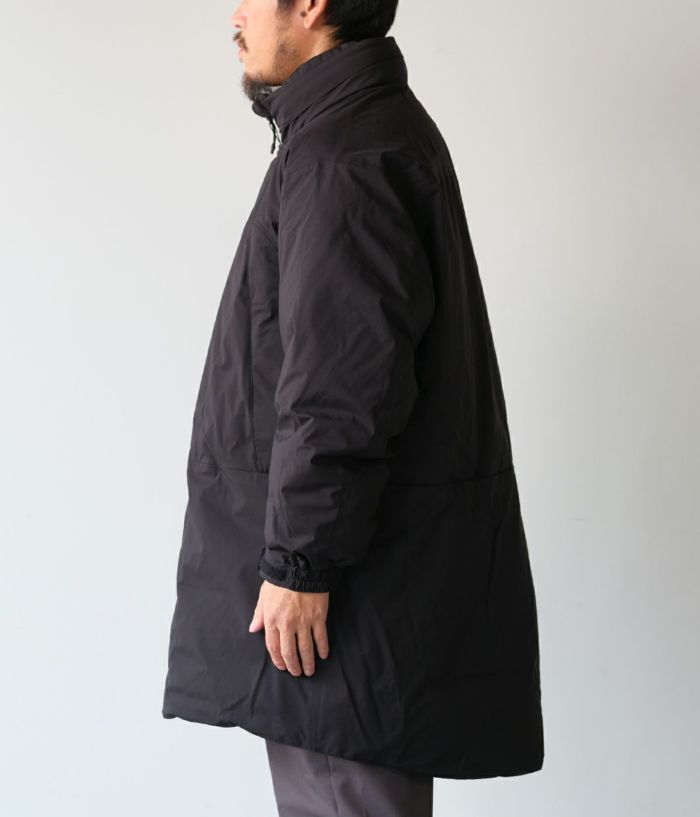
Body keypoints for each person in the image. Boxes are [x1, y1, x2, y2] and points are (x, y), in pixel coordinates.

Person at [162, 2, 544, 814]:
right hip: (359, 592)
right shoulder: (354, 135)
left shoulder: (348, 155)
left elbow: (340, 385)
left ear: (311, 6)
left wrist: (300, 563)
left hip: (343, 603)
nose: (235, 13)